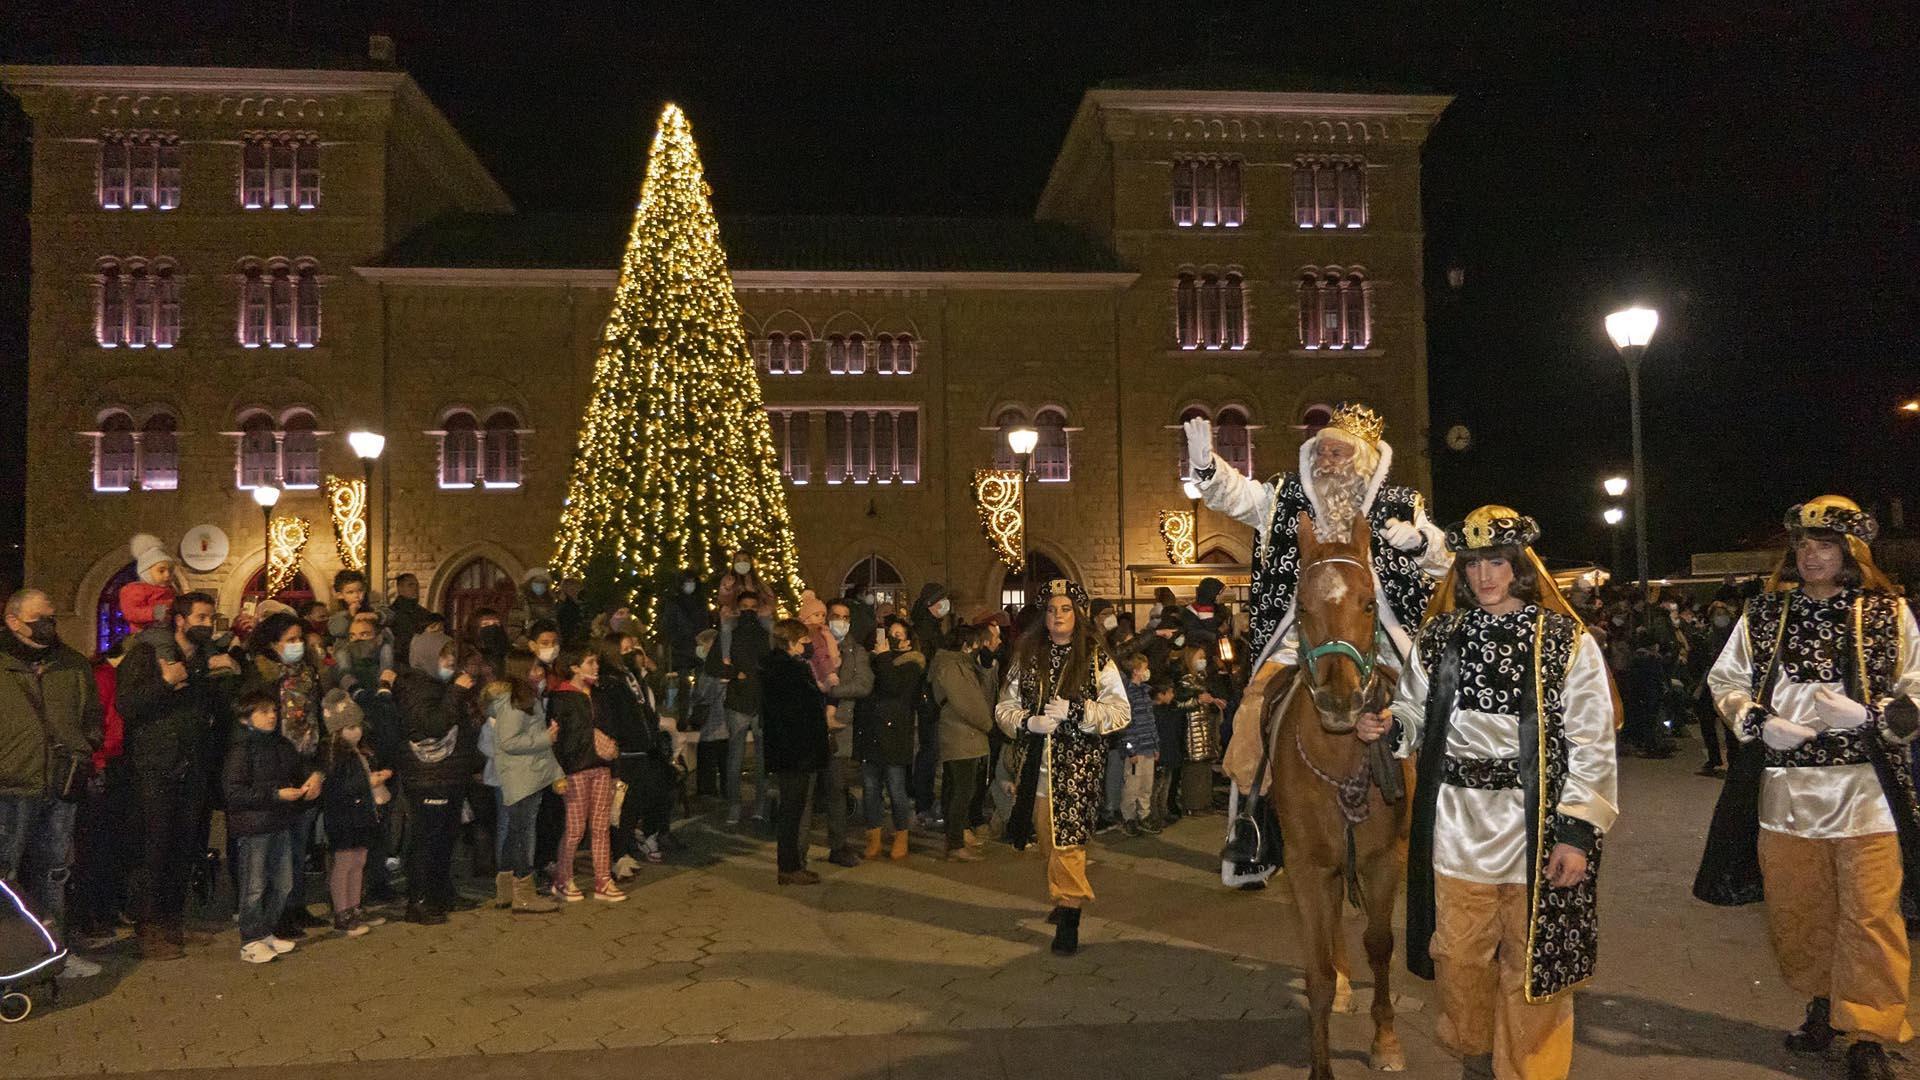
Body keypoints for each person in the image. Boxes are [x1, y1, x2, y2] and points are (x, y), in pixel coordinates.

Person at [1370, 506, 1618, 1080]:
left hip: (1539, 829)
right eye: (1474, 563)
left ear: (1520, 568)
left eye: (1497, 563)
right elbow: (1413, 710)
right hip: (1458, 827)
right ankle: (1476, 1057)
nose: (1484, 575)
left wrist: (1577, 833)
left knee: (1533, 963)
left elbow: (1593, 742)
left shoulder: (1562, 640)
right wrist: (1390, 725)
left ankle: (1531, 1072)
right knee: (1458, 957)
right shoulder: (1441, 636)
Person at [1699, 497, 1920, 1080]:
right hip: (1785, 792)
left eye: (1823, 545)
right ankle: (1823, 1005)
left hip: (1866, 791)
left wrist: (1873, 717)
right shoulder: (1765, 613)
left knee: (1871, 916)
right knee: (1800, 914)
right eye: (1802, 544)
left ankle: (1871, 1029)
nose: (1810, 554)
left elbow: (1918, 688)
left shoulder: (1888, 613)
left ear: (1850, 552)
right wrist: (1756, 720)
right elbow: (1725, 679)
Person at [1186, 403, 1451, 798]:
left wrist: (1420, 543)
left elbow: (1446, 560)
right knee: (1254, 708)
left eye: (1336, 453)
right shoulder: (1286, 497)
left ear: (1362, 462)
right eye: (1320, 452)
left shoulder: (1401, 504)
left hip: (1378, 636)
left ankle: (1439, 798)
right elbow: (1240, 496)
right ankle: (1253, 820)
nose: (1325, 461)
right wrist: (1208, 468)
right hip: (1301, 638)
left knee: (1432, 703)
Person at [993, 578, 1131, 956]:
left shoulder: (1096, 658)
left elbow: (1120, 712)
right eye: (1052, 610)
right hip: (1036, 766)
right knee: (1046, 839)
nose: (1058, 616)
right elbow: (1003, 708)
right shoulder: (1027, 657)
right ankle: (1062, 893)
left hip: (1078, 768)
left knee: (1068, 842)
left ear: (1078, 613)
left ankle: (1069, 917)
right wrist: (1026, 722)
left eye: (1066, 609)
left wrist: (1078, 711)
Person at [115, 590, 232, 959]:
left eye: (210, 619)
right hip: (156, 769)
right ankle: (147, 928)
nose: (206, 625)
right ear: (179, 620)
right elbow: (128, 705)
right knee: (154, 850)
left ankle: (171, 923)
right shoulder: (149, 655)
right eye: (200, 618)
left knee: (183, 850)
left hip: (192, 769)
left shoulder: (203, 660)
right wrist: (165, 683)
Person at [0, 588, 105, 979]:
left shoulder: (71, 665)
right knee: (5, 877)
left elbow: (92, 714)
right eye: (38, 619)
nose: (48, 625)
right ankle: (10, 959)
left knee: (54, 872)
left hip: (61, 784)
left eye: (51, 618)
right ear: (13, 622)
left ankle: (55, 954)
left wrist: (85, 745)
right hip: (11, 785)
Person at [237, 612, 330, 938]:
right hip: (275, 767)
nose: (297, 645)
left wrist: (318, 768)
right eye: (290, 639)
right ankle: (274, 914)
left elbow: (316, 719)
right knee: (278, 848)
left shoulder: (307, 675)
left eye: (299, 639)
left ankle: (295, 904)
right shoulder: (261, 676)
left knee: (299, 842)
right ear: (273, 642)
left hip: (306, 761)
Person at [386, 630, 479, 923]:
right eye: (444, 656)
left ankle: (441, 893)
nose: (450, 662)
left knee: (444, 838)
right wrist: (456, 693)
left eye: (452, 655)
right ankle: (420, 900)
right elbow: (432, 725)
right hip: (428, 776)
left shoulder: (439, 686)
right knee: (427, 840)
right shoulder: (416, 688)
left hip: (448, 773)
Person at [222, 689, 315, 964]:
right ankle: (250, 940)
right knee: (255, 885)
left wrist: (311, 781)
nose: (272, 716)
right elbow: (234, 793)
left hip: (279, 822)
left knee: (283, 883)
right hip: (254, 827)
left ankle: (265, 932)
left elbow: (299, 770)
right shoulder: (240, 750)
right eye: (263, 712)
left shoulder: (280, 745)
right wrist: (276, 794)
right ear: (245, 718)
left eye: (273, 710)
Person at [548, 648, 624, 902]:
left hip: (601, 766)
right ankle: (563, 877)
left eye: (596, 662)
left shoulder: (600, 696)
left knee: (601, 826)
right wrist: (558, 773)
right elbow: (558, 740)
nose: (595, 667)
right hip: (576, 769)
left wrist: (614, 768)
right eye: (589, 662)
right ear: (574, 667)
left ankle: (603, 879)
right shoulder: (561, 698)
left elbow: (612, 730)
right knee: (575, 828)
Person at [484, 676, 563, 914]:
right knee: (523, 834)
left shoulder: (519, 700)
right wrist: (545, 738)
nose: (538, 674)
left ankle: (507, 890)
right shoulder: (512, 702)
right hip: (522, 776)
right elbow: (509, 741)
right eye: (533, 668)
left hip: (529, 774)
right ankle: (524, 893)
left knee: (516, 832)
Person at [762, 619, 832, 885]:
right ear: (791, 641)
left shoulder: (783, 668)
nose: (808, 646)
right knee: (792, 810)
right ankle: (789, 866)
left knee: (794, 808)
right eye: (804, 641)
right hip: (795, 751)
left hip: (792, 749)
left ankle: (791, 864)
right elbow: (798, 712)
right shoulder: (788, 670)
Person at [319, 690, 386, 938]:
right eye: (349, 727)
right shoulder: (334, 754)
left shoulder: (359, 753)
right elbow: (338, 787)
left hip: (360, 816)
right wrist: (368, 782)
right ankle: (342, 912)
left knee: (359, 861)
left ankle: (354, 906)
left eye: (357, 726)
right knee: (345, 863)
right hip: (343, 817)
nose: (356, 731)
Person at [859, 617, 924, 860]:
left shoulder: (912, 664)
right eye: (891, 633)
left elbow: (894, 687)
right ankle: (873, 835)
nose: (894, 638)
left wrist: (884, 658)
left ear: (908, 640)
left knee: (896, 788)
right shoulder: (877, 660)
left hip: (895, 734)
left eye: (899, 634)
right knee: (870, 788)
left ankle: (901, 833)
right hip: (871, 733)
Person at [931, 624, 996, 861]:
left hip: (963, 734)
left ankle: (955, 837)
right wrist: (989, 725)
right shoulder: (954, 666)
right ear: (967, 645)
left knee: (956, 788)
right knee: (961, 790)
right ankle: (955, 843)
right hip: (961, 735)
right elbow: (970, 702)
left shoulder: (959, 664)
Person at [820, 598, 872, 866]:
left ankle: (837, 845)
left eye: (845, 616)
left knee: (837, 788)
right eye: (835, 615)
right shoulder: (814, 645)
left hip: (840, 728)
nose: (840, 620)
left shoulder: (856, 651)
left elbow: (863, 684)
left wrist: (832, 690)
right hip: (814, 725)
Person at [720, 592, 774, 824]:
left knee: (762, 758)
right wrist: (735, 674)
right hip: (739, 701)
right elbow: (716, 662)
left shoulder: (767, 632)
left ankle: (759, 805)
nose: (749, 611)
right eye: (745, 606)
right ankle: (735, 805)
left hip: (761, 700)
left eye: (754, 606)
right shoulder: (728, 632)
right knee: (736, 757)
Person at [909, 583, 958, 822]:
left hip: (931, 697)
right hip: (928, 699)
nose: (946, 606)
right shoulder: (925, 630)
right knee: (929, 752)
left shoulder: (933, 628)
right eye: (943, 601)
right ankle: (923, 803)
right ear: (932, 604)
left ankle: (924, 801)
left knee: (930, 752)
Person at [1118, 653, 1161, 836]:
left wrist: (1155, 745)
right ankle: (1129, 818)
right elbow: (1125, 726)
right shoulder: (1127, 695)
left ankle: (1144, 816)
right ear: (1136, 671)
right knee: (1132, 786)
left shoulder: (1144, 692)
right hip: (1136, 749)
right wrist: (1130, 750)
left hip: (1148, 747)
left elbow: (1150, 721)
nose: (1147, 671)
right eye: (1144, 668)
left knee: (1146, 785)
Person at [509, 568, 559, 652]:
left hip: (548, 646)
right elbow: (514, 625)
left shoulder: (550, 603)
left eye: (542, 583)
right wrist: (522, 641)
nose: (539, 586)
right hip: (527, 646)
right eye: (536, 582)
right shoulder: (521, 602)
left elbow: (555, 623)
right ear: (529, 584)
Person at [385, 574, 430, 664]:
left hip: (420, 661)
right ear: (400, 588)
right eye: (410, 585)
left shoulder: (424, 613)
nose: (415, 589)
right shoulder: (390, 614)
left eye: (417, 585)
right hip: (399, 662)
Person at [715, 551, 767, 618]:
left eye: (745, 560)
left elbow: (766, 598)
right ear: (734, 563)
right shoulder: (728, 579)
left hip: (755, 615)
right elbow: (723, 601)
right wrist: (727, 588)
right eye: (738, 561)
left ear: (750, 563)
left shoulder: (757, 580)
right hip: (733, 616)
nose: (742, 563)